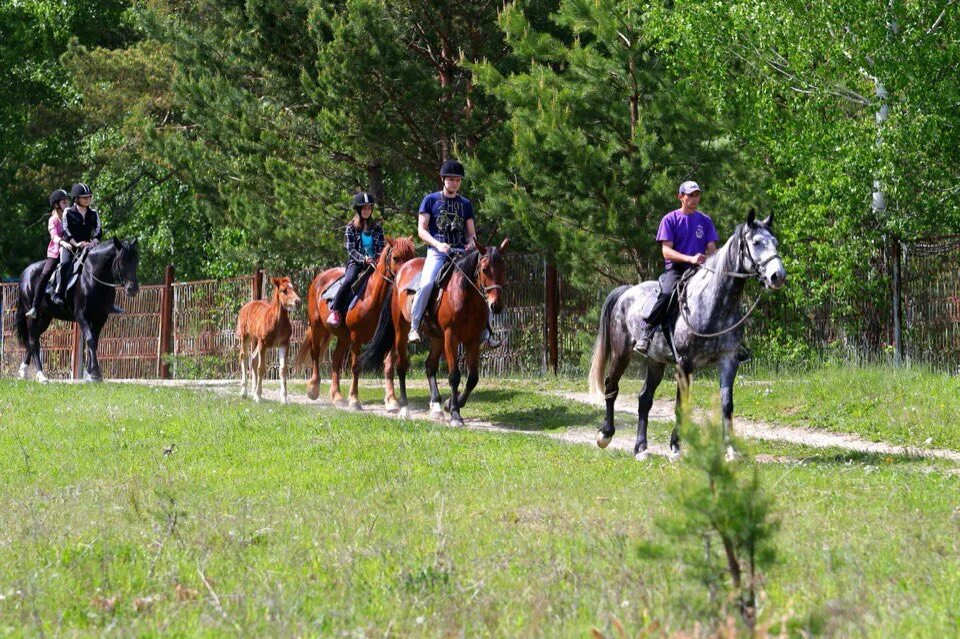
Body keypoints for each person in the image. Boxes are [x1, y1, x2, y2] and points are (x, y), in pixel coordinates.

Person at [407, 159, 500, 348]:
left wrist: (470, 244)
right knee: (426, 285)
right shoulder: (430, 200)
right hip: (437, 252)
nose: (454, 183)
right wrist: (437, 244)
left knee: (482, 286)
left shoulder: (465, 204)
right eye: (451, 180)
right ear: (443, 179)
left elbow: (471, 233)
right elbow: (421, 230)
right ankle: (414, 326)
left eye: (457, 180)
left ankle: (487, 332)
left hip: (461, 253)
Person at [635, 180, 718, 354]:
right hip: (677, 269)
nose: (695, 199)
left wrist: (711, 258)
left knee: (720, 293)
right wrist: (690, 259)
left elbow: (712, 249)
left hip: (700, 270)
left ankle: (730, 339)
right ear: (680, 197)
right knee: (666, 294)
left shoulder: (705, 221)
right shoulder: (670, 219)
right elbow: (666, 252)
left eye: (697, 195)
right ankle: (647, 331)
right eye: (690, 195)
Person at [328, 192, 384, 327]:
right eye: (364, 208)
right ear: (358, 210)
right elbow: (351, 249)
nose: (367, 211)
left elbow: (382, 247)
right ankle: (335, 310)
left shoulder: (377, 228)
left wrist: (376, 259)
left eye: (369, 208)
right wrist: (364, 259)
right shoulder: (351, 228)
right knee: (349, 279)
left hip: (376, 263)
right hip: (357, 263)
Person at [51, 183, 102, 305]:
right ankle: (59, 293)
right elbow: (66, 231)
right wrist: (77, 244)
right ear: (77, 198)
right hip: (70, 246)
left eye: (89, 197)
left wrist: (94, 242)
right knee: (65, 265)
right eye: (85, 197)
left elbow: (98, 230)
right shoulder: (68, 212)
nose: (88, 199)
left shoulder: (93, 213)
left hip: (88, 246)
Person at [25, 189, 70, 318]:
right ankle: (35, 306)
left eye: (67, 200)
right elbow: (54, 236)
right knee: (44, 275)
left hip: (71, 249)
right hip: (55, 251)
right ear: (56, 205)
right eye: (63, 201)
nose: (67, 202)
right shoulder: (53, 220)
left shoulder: (69, 216)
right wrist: (62, 243)